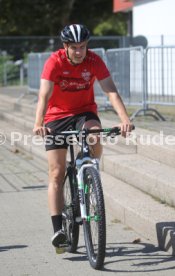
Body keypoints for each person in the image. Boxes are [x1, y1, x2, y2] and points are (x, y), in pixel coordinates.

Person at [33, 23, 133, 248]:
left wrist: (125, 119)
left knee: (94, 135)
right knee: (56, 173)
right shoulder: (54, 62)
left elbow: (111, 91)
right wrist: (38, 123)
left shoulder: (94, 61)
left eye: (83, 47)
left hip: (84, 113)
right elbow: (44, 95)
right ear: (65, 46)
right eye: (75, 47)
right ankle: (58, 229)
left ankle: (86, 165)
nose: (80, 52)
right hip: (56, 117)